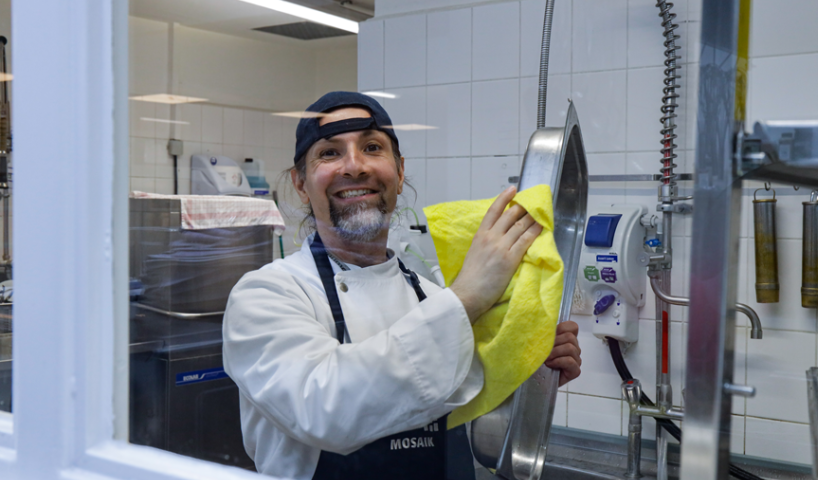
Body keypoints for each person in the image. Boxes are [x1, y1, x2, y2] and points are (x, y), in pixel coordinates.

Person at [222, 91, 582, 480]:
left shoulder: (429, 296)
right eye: (329, 153)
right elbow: (325, 410)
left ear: (399, 171)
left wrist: (531, 372)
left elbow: (470, 408)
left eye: (372, 147)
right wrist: (467, 298)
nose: (355, 166)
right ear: (300, 183)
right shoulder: (267, 295)